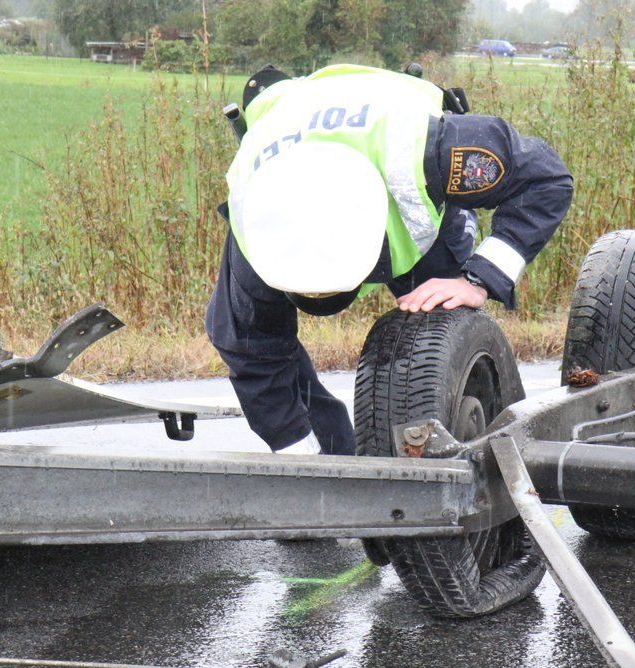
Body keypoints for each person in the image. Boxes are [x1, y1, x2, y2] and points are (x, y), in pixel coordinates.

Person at [206, 63, 573, 456]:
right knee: (255, 336)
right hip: (286, 129)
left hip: (396, 142)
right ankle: (336, 458)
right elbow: (251, 352)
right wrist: (302, 459)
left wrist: (478, 279)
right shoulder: (255, 222)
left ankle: (473, 452)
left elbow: (546, 178)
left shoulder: (429, 155)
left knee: (438, 331)